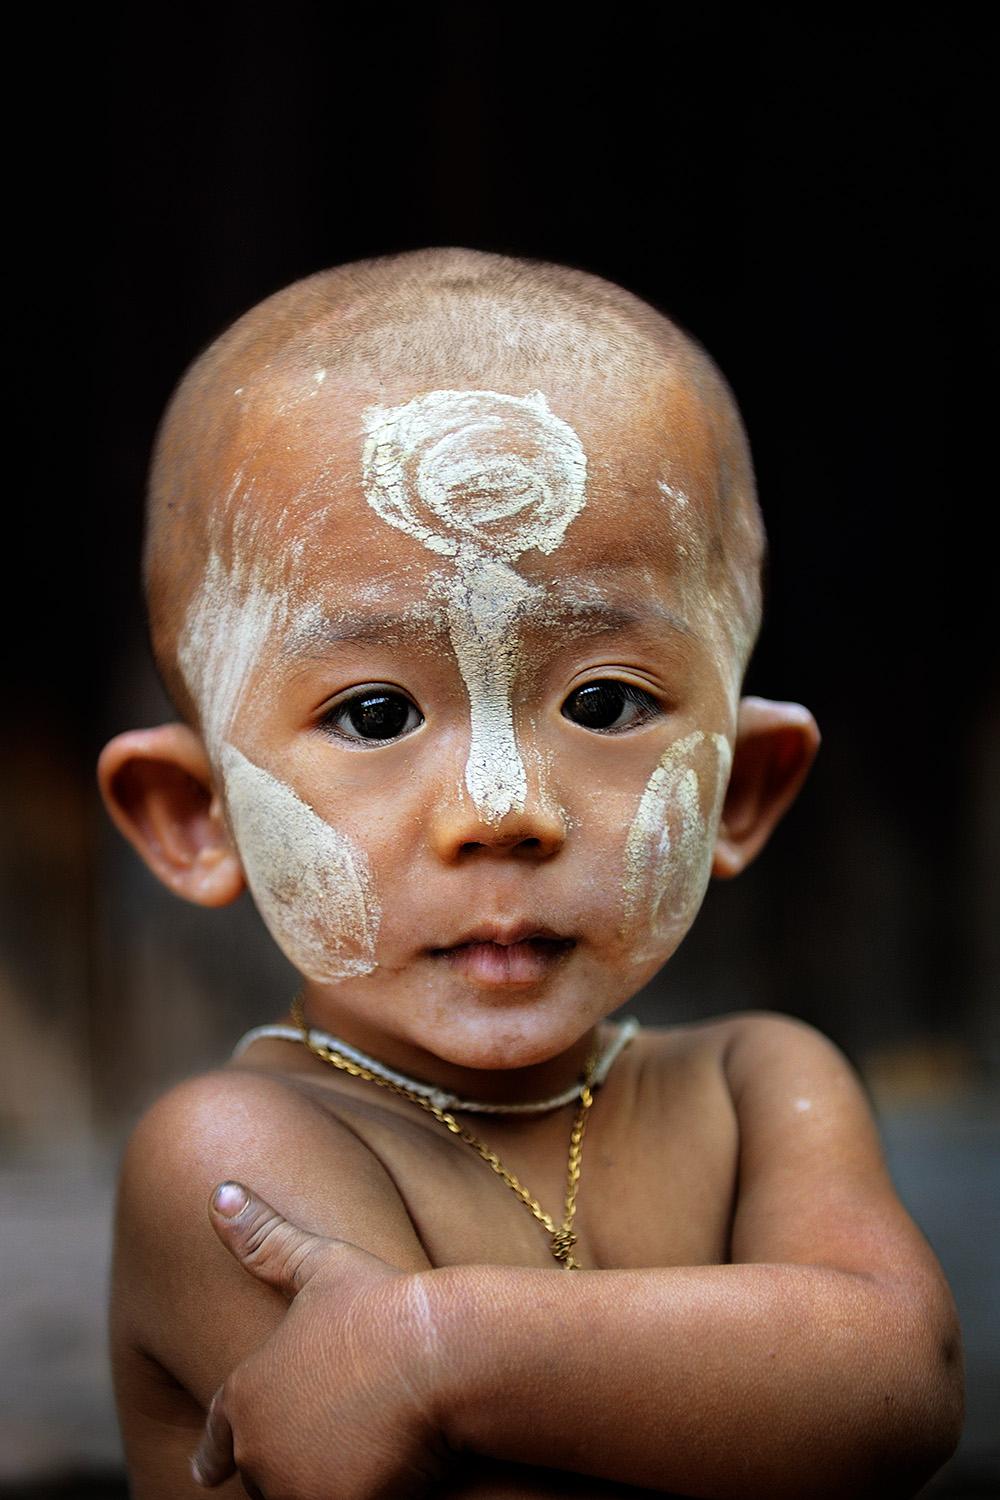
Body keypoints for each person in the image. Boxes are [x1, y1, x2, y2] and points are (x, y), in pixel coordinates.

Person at [98, 247, 963, 1499]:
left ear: (747, 783)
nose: (502, 809)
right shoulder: (233, 1157)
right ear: (196, 816)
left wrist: (434, 1347)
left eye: (605, 701)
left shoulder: (754, 1086)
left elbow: (899, 1378)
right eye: (377, 714)